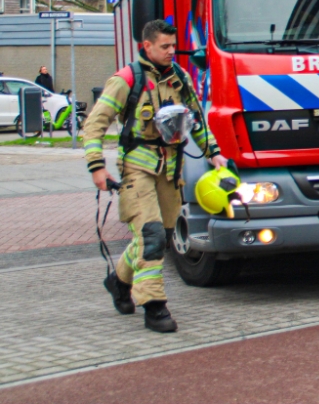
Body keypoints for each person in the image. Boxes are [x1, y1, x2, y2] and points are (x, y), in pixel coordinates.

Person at [82, 20, 226, 332]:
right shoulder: (125, 80)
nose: (172, 51)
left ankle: (118, 281)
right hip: (138, 168)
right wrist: (96, 166)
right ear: (146, 47)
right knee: (152, 237)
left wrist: (214, 153)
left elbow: (196, 122)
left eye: (173, 46)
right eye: (165, 46)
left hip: (170, 170)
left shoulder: (180, 79)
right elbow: (94, 125)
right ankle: (154, 307)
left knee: (158, 237)